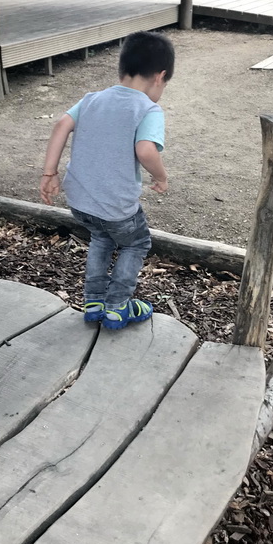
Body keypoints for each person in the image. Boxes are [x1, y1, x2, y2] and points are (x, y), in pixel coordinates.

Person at [40, 31, 174, 330]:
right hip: (115, 204)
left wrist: (50, 173)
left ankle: (93, 302)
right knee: (136, 243)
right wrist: (161, 176)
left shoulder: (91, 99)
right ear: (160, 76)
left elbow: (62, 124)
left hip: (81, 201)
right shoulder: (148, 109)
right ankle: (117, 307)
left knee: (101, 238)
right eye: (165, 84)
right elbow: (145, 149)